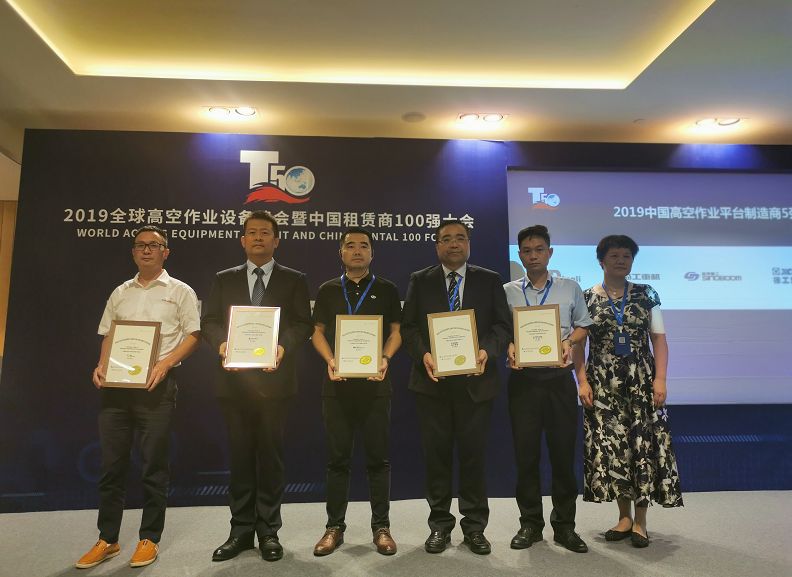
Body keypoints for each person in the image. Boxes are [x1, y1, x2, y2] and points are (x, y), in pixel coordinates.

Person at [76, 226, 201, 569]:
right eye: (140, 245)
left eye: (154, 245)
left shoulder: (180, 291)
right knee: (111, 466)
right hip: (116, 389)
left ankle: (149, 538)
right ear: (133, 252)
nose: (146, 250)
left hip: (156, 386)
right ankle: (107, 539)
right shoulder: (120, 292)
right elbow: (108, 334)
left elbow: (194, 335)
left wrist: (164, 363)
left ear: (165, 252)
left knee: (153, 466)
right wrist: (102, 364)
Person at [201, 210, 312, 562]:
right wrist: (222, 344)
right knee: (240, 457)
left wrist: (283, 346)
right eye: (252, 232)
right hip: (234, 383)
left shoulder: (294, 279)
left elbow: (303, 324)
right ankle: (240, 531)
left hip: (275, 384)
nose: (259, 238)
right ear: (243, 240)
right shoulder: (224, 279)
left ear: (276, 240)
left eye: (265, 233)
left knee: (270, 458)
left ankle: (268, 531)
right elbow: (210, 321)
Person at [401, 219, 511, 555]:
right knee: (436, 459)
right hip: (432, 384)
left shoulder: (489, 280)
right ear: (437, 246)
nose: (453, 244)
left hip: (476, 384)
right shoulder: (420, 280)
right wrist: (424, 355)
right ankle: (439, 526)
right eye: (446, 239)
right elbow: (409, 328)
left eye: (460, 238)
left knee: (473, 458)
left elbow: (502, 326)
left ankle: (475, 527)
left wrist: (486, 352)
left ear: (469, 244)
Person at [576, 235, 683, 548]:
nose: (621, 261)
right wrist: (582, 381)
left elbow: (659, 339)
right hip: (601, 384)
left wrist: (660, 379)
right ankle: (623, 517)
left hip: (640, 382)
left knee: (641, 447)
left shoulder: (646, 293)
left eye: (626, 256)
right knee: (612, 449)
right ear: (601, 261)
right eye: (614, 255)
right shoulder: (586, 297)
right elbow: (578, 344)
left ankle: (640, 521)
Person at [310, 227, 402, 556]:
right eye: (351, 245)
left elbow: (396, 332)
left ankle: (382, 528)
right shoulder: (328, 289)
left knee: (378, 459)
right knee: (338, 460)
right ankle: (334, 527)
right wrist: (330, 359)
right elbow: (317, 332)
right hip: (337, 386)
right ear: (341, 253)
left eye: (364, 245)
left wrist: (385, 358)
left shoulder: (387, 289)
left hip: (376, 386)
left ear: (372, 253)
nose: (358, 250)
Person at [503, 224, 592, 553]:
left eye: (539, 249)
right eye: (527, 251)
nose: (533, 256)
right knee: (526, 456)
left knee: (562, 456)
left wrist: (569, 342)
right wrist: (510, 345)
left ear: (550, 253)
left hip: (558, 381)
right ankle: (530, 524)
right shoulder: (508, 291)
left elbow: (583, 326)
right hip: (523, 383)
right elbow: (502, 331)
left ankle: (565, 526)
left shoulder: (570, 288)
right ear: (520, 255)